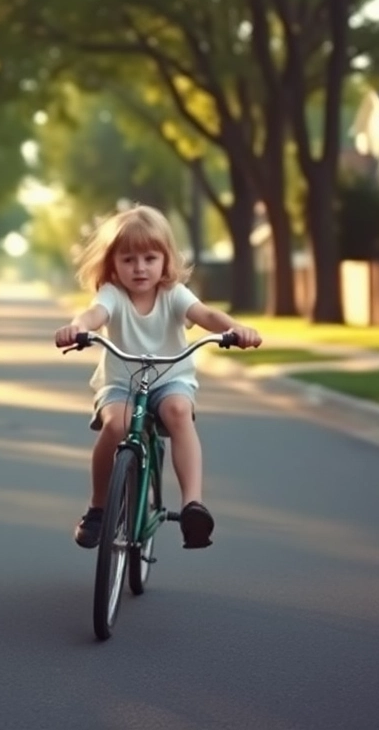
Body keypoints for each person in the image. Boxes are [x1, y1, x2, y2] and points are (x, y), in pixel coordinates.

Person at [54, 204, 261, 550]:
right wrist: (76, 328)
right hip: (121, 383)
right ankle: (98, 508)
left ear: (166, 260)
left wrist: (236, 329)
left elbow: (206, 315)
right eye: (128, 259)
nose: (139, 268)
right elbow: (93, 314)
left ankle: (193, 506)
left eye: (150, 258)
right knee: (116, 426)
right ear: (112, 264)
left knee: (178, 411)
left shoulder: (173, 294)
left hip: (170, 379)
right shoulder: (113, 294)